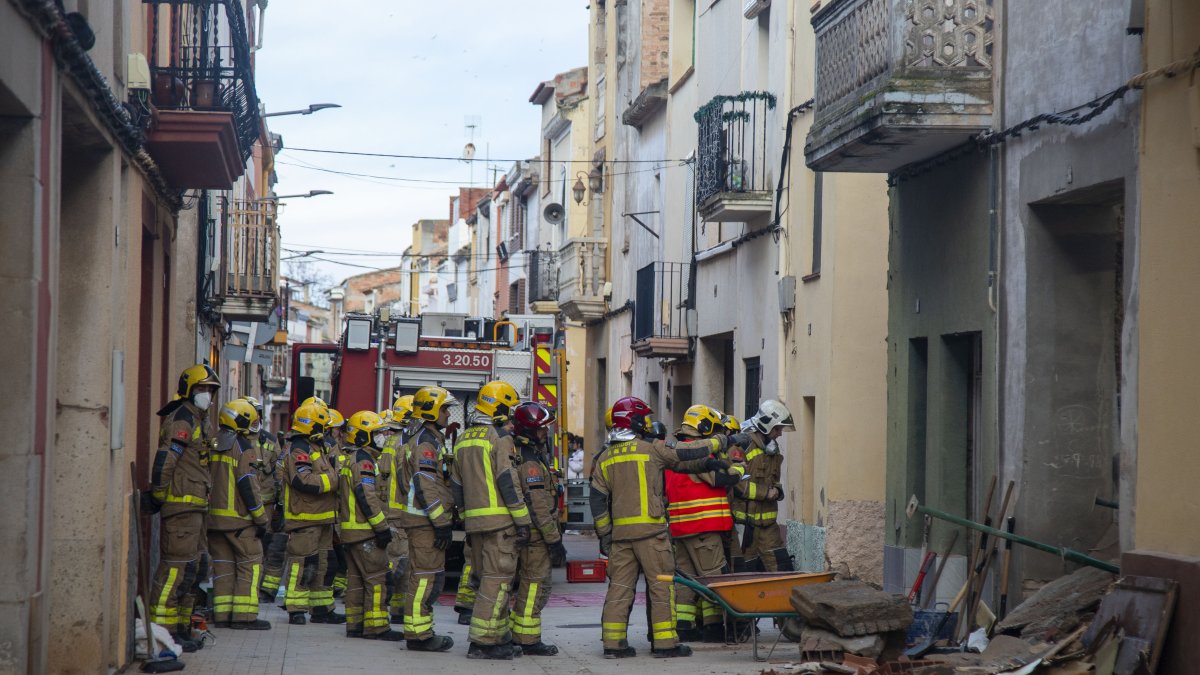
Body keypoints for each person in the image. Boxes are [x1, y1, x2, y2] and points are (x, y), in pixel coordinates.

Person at [589, 396, 745, 659]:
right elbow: (685, 452)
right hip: (651, 535)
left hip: (620, 539)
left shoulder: (604, 458)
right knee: (660, 587)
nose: (648, 423)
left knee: (619, 589)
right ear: (635, 421)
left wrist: (605, 535)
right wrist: (724, 441)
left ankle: (613, 645)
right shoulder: (651, 449)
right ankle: (664, 645)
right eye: (645, 419)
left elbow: (597, 500)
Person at [450, 381, 532, 660]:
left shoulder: (463, 439)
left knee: (488, 580)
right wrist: (522, 520)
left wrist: (464, 517)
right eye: (508, 409)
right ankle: (483, 642)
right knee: (496, 583)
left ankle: (497, 639)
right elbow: (507, 481)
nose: (510, 416)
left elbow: (456, 485)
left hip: (475, 525)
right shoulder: (498, 438)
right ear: (498, 407)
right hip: (500, 524)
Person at [146, 364, 220, 652]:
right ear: (190, 389)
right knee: (175, 569)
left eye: (211, 390)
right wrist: (159, 494)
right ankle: (161, 630)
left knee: (193, 569)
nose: (208, 395)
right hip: (180, 507)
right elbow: (166, 460)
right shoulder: (183, 420)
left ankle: (180, 628)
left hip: (196, 508)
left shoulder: (199, 420)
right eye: (203, 389)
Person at [665, 405, 745, 643]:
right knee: (714, 579)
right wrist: (739, 469)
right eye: (714, 431)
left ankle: (684, 627)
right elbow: (721, 478)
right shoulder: (699, 453)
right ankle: (714, 628)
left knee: (687, 581)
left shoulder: (675, 453)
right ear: (704, 427)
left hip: (681, 530)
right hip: (703, 529)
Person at [395, 386, 457, 652]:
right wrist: (441, 521)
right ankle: (418, 636)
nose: (448, 413)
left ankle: (422, 630)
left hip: (424, 521)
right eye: (444, 408)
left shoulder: (430, 439)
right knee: (423, 579)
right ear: (432, 411)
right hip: (425, 522)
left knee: (430, 577)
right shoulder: (425, 443)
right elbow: (425, 483)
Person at [337, 411, 403, 640]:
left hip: (350, 533)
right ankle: (377, 627)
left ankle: (355, 625)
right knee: (377, 579)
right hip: (365, 533)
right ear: (364, 436)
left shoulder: (352, 459)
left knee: (355, 581)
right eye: (376, 433)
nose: (382, 437)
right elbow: (366, 496)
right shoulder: (364, 461)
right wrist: (381, 528)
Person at [508, 402, 568, 656]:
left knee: (529, 586)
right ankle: (527, 640)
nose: (546, 433)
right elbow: (538, 506)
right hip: (536, 536)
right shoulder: (530, 462)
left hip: (530, 533)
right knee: (535, 586)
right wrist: (554, 541)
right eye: (542, 429)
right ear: (531, 430)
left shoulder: (527, 453)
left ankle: (519, 634)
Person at [208, 399, 271, 630]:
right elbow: (249, 486)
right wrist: (261, 519)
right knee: (250, 565)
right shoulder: (243, 447)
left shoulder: (213, 442)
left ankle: (223, 616)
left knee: (223, 567)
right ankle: (244, 617)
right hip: (239, 521)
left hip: (213, 521)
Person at [279, 400, 343, 625]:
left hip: (322, 517)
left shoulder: (316, 447)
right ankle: (296, 609)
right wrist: (334, 480)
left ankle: (321, 609)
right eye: (322, 425)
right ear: (312, 425)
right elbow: (302, 480)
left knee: (323, 564)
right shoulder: (300, 448)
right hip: (305, 518)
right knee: (303, 564)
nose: (326, 430)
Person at [730, 400, 796, 571]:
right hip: (745, 528)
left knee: (782, 569)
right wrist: (765, 493)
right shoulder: (741, 446)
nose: (780, 434)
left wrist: (778, 491)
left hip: (769, 527)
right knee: (744, 574)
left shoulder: (772, 450)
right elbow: (736, 483)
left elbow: (774, 481)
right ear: (766, 425)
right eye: (777, 429)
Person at [244, 396, 286, 604]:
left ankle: (264, 590)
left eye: (257, 413)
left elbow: (279, 472)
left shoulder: (269, 440)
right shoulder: (235, 440)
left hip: (267, 505)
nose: (255, 418)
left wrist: (280, 503)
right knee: (248, 546)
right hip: (241, 504)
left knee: (267, 546)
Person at [376, 398, 413, 624]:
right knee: (397, 564)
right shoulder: (405, 445)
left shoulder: (391, 442)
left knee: (403, 566)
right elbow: (407, 482)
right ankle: (380, 606)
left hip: (391, 512)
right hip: (398, 515)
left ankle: (397, 611)